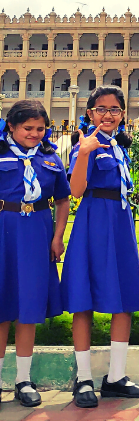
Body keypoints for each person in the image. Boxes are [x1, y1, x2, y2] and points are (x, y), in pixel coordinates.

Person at [61, 85, 139, 408]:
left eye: (114, 109)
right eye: (101, 109)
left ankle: (116, 377)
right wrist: (84, 152)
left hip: (121, 220)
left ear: (122, 114)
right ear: (89, 114)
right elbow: (75, 190)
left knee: (123, 299)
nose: (108, 115)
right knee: (84, 298)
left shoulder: (119, 146)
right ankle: (84, 378)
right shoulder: (86, 145)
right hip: (94, 219)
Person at [0, 100, 70, 408]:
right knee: (1, 306)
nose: (35, 134)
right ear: (12, 127)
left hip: (38, 232)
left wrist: (57, 236)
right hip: (5, 229)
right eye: (28, 128)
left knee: (28, 306)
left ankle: (23, 380)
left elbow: (63, 199)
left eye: (40, 129)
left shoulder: (50, 157)